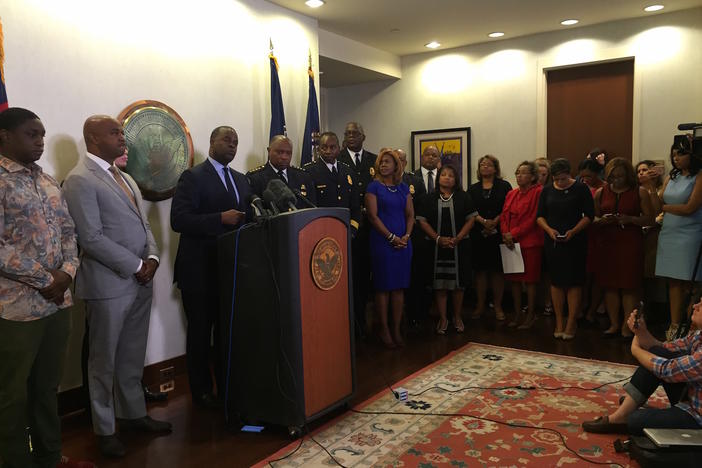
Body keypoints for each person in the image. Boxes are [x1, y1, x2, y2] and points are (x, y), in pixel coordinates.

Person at [63, 115, 171, 458]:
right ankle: (105, 429)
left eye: (122, 132)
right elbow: (91, 238)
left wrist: (152, 258)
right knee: (103, 361)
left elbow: (144, 226)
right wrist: (137, 265)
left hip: (141, 279)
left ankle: (134, 414)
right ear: (92, 138)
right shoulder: (80, 179)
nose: (122, 138)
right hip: (108, 284)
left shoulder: (125, 178)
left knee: (131, 354)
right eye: (114, 132)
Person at [0, 108, 85, 468]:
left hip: (57, 302)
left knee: (47, 388)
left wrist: (66, 272)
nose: (40, 141)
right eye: (31, 134)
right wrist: (45, 278)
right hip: (17, 308)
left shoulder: (47, 180)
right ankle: (15, 460)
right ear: (5, 135)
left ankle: (49, 455)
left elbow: (69, 232)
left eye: (42, 134)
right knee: (11, 394)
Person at [171, 126, 251, 411]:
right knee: (201, 334)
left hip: (230, 269)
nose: (232, 145)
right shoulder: (193, 177)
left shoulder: (241, 180)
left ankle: (229, 385)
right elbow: (179, 220)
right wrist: (220, 218)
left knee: (228, 333)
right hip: (199, 271)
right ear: (212, 142)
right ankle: (202, 391)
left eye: (236, 141)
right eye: (227, 140)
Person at [582, 298, 702, 435]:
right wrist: (641, 332)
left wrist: (636, 350)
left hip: (698, 419)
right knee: (657, 353)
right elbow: (664, 348)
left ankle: (627, 415)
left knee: (635, 420)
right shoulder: (698, 336)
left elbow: (667, 369)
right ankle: (621, 416)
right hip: (690, 399)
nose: (695, 306)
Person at [593, 158, 653, 337]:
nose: (616, 180)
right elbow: (592, 218)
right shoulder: (600, 193)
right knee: (609, 285)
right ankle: (613, 324)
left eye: (620, 176)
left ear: (627, 175)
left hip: (630, 242)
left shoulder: (639, 192)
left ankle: (627, 327)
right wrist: (602, 220)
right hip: (607, 242)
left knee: (629, 285)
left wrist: (631, 219)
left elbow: (650, 218)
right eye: (613, 176)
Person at [536, 158, 594, 340]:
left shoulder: (581, 189)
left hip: (575, 240)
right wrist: (548, 230)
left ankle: (571, 322)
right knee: (556, 281)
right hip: (553, 241)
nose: (560, 182)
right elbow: (540, 217)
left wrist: (574, 231)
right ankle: (559, 321)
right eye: (556, 179)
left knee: (574, 282)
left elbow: (589, 216)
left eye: (563, 178)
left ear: (569, 174)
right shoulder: (547, 191)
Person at [417, 165, 477, 334]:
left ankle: (457, 317)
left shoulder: (464, 197)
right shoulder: (429, 198)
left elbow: (471, 220)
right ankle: (443, 318)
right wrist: (437, 238)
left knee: (458, 285)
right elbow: (422, 221)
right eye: (443, 175)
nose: (447, 178)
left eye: (451, 175)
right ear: (438, 178)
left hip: (459, 247)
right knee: (440, 284)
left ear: (456, 179)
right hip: (436, 248)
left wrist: (457, 238)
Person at [365, 148, 414, 348]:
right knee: (384, 287)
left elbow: (410, 215)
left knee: (399, 287)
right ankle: (384, 329)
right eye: (382, 161)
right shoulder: (373, 187)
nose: (384, 164)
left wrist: (406, 236)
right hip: (382, 243)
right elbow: (373, 216)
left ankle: (396, 328)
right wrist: (391, 237)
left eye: (388, 162)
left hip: (403, 243)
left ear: (396, 166)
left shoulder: (403, 188)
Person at [655, 139, 702, 340]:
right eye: (674, 155)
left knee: (690, 283)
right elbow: (658, 199)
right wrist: (650, 186)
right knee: (673, 282)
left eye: (680, 154)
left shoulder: (699, 177)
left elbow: (690, 207)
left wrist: (664, 208)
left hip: (690, 233)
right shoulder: (671, 177)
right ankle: (674, 325)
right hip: (669, 233)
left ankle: (691, 327)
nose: (676, 158)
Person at [337, 122, 377, 336]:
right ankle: (350, 324)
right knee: (348, 278)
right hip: (349, 226)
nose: (351, 136)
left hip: (371, 226)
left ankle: (364, 323)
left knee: (365, 277)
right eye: (347, 133)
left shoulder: (374, 160)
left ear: (364, 136)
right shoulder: (338, 159)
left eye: (355, 133)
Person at [501, 161, 543, 329]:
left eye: (524, 173)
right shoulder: (512, 193)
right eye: (517, 173)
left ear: (533, 176)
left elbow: (533, 218)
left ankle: (531, 315)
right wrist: (506, 233)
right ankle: (518, 313)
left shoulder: (538, 192)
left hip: (530, 242)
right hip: (510, 242)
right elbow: (504, 215)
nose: (519, 176)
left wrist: (514, 233)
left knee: (530, 281)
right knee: (515, 281)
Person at [468, 155, 511, 321]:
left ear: (495, 168)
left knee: (497, 272)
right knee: (480, 271)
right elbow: (469, 209)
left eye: (488, 164)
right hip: (478, 233)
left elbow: (507, 207)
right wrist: (484, 222)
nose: (485, 167)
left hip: (499, 233)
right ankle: (480, 305)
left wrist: (494, 222)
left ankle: (498, 306)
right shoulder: (473, 188)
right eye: (482, 165)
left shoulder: (504, 186)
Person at [303, 131, 361, 233]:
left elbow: (355, 205)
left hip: (345, 229)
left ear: (339, 149)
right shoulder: (309, 172)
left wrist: (352, 229)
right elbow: (308, 207)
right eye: (324, 147)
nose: (328, 151)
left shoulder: (348, 171)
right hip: (321, 229)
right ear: (319, 149)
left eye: (332, 147)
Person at [247, 135, 317, 208]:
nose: (284, 157)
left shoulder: (303, 176)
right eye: (279, 152)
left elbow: (312, 208)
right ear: (269, 150)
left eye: (288, 153)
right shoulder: (255, 178)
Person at [578, 158, 606, 325]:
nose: (585, 179)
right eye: (583, 176)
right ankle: (582, 306)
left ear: (597, 174)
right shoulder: (580, 188)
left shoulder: (605, 189)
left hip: (601, 234)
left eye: (589, 175)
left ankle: (592, 309)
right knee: (584, 275)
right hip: (584, 234)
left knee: (597, 275)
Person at [534, 157, 554, 316]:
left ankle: (548, 301)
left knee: (547, 272)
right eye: (537, 174)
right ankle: (533, 302)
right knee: (532, 273)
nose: (540, 178)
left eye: (544, 174)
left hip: (546, 235)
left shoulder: (550, 191)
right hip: (529, 237)